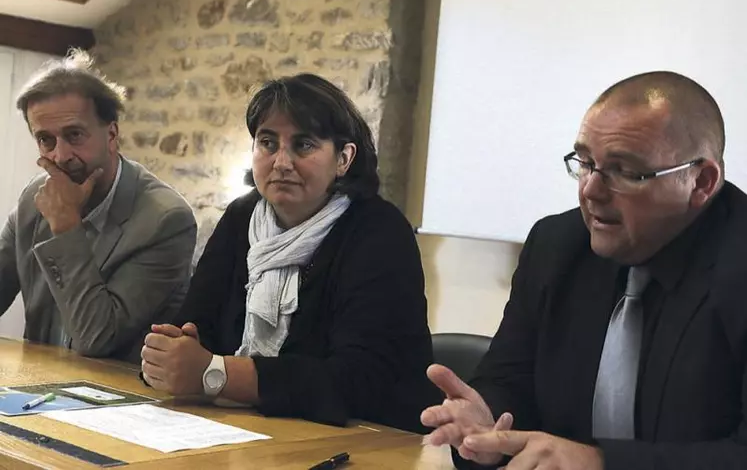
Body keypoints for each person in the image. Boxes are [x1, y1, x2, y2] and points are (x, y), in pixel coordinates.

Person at [421, 71, 747, 469]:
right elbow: (509, 380)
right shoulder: (556, 245)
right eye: (585, 163)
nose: (591, 189)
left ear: (701, 182)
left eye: (625, 171)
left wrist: (600, 464)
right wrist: (488, 429)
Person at [140, 73, 437, 432]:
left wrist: (215, 373)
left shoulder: (379, 232)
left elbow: (359, 381)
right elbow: (197, 325)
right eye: (268, 142)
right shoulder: (241, 217)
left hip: (371, 439)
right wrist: (172, 354)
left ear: (344, 158)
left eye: (303, 145)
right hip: (250, 427)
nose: (281, 161)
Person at [0, 49, 196, 362]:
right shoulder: (35, 197)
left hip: (115, 399)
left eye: (74, 134)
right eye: (45, 140)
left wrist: (65, 226)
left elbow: (95, 339)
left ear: (112, 134)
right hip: (34, 389)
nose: (61, 156)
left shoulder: (165, 219)